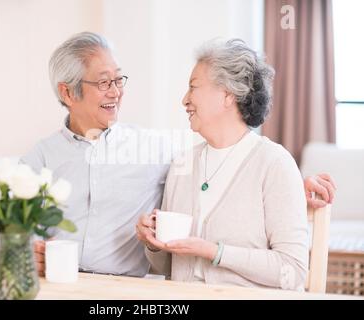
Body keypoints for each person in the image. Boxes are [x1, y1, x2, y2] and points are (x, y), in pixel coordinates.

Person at [22, 32, 335, 278]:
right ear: (67, 93)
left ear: (228, 95)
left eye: (118, 80)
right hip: (58, 284)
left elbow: (237, 164)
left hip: (121, 290)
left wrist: (291, 188)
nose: (116, 91)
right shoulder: (39, 158)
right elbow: (7, 229)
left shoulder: (158, 150)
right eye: (104, 82)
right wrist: (26, 252)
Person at [136, 38, 329, 290]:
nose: (184, 100)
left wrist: (215, 252)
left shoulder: (274, 164)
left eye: (193, 87)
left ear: (228, 94)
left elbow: (292, 272)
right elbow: (166, 269)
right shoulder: (182, 165)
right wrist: (153, 241)